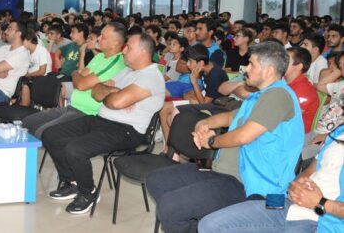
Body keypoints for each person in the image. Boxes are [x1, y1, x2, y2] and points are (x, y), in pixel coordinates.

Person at [146, 41, 305, 233]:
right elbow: (231, 116)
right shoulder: (260, 95)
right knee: (157, 181)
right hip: (224, 171)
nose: (246, 69)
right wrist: (204, 123)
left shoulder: (278, 95)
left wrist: (211, 141)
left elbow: (243, 137)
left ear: (269, 71)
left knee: (171, 207)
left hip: (250, 185)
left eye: (252, 64)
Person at [44, 33, 165, 214]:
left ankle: (88, 193)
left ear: (143, 52)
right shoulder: (126, 70)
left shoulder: (151, 77)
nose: (124, 51)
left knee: (75, 149)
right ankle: (72, 181)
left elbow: (113, 102)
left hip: (127, 131)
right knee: (51, 135)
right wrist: (116, 91)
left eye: (129, 47)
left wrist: (112, 94)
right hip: (101, 120)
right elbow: (96, 93)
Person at [197, 124, 344, 233]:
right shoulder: (339, 131)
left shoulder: (278, 94)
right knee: (208, 225)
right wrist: (298, 185)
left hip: (323, 221)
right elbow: (312, 168)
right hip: (289, 201)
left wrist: (320, 203)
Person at [22, 22, 127, 139]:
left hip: (87, 113)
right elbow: (79, 76)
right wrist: (77, 74)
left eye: (103, 36)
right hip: (72, 107)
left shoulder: (116, 62)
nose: (99, 39)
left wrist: (76, 74)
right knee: (27, 122)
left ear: (116, 42)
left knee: (42, 132)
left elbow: (81, 84)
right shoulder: (100, 57)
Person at [286, 47, 320, 133]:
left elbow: (287, 118)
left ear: (299, 66)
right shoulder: (281, 80)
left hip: (293, 135)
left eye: (285, 60)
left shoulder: (305, 91)